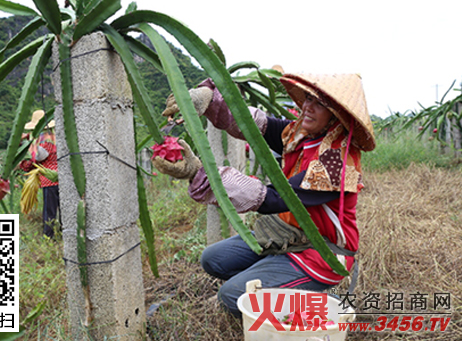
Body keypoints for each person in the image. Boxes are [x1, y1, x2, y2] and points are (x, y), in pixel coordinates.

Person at [152, 73, 375, 317]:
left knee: (233, 295)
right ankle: (277, 283)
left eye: (320, 104)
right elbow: (260, 127)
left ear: (337, 115)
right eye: (308, 98)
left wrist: (198, 172)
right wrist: (211, 102)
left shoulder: (336, 162)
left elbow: (275, 199)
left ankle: (320, 304)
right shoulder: (301, 135)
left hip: (322, 253)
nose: (307, 107)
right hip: (289, 234)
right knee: (213, 259)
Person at [23, 110, 60, 239]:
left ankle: (48, 236)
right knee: (64, 209)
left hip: (49, 181)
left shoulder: (44, 140)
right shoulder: (55, 137)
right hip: (61, 178)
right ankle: (65, 234)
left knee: (49, 211)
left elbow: (39, 156)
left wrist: (27, 146)